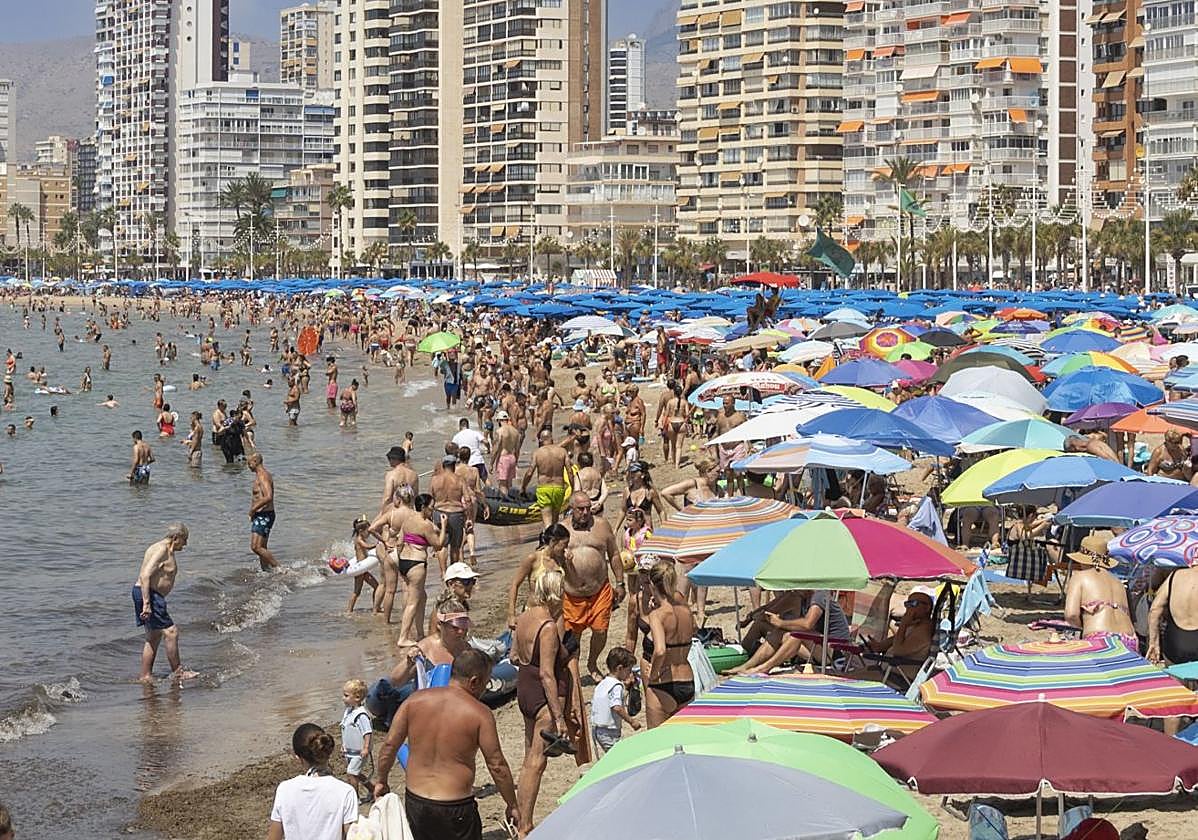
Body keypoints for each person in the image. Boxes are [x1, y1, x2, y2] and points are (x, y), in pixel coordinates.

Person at [374, 650, 520, 840]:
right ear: (474, 681)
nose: (485, 689)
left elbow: (389, 746)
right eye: (486, 683)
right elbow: (496, 765)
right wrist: (512, 804)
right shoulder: (480, 714)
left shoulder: (414, 701)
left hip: (416, 802)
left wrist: (382, 781)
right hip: (454, 806)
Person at [513, 570, 574, 835]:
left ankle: (520, 819)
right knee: (536, 763)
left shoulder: (525, 617)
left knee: (529, 759)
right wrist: (559, 717)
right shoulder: (547, 627)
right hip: (541, 696)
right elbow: (547, 674)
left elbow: (514, 656)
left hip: (525, 689)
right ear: (555, 593)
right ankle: (525, 826)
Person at [562, 491, 625, 683]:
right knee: (573, 636)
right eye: (580, 509)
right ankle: (573, 670)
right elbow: (548, 559)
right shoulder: (562, 529)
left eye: (588, 508)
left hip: (599, 590)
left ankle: (592, 663)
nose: (585, 512)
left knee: (600, 631)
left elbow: (614, 554)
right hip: (572, 593)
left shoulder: (602, 525)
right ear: (571, 508)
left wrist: (620, 583)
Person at [267, 723, 358, 840]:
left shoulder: (284, 790)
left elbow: (274, 837)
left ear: (297, 758)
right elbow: (352, 835)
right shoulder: (345, 792)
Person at [727, 589, 851, 675]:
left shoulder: (819, 596)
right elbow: (770, 608)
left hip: (835, 652)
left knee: (796, 635)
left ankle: (764, 668)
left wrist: (781, 622)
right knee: (779, 633)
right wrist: (751, 618)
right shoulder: (802, 597)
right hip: (818, 649)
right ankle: (747, 665)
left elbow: (807, 624)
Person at [132, 523, 195, 682]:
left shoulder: (163, 549)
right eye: (184, 540)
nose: (185, 544)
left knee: (153, 636)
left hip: (148, 594)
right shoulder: (161, 550)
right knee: (171, 632)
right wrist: (147, 603)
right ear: (176, 538)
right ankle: (178, 672)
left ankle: (145, 676)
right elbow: (145, 575)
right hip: (149, 594)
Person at [641, 560, 695, 727]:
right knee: (683, 739)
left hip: (663, 683)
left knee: (656, 740)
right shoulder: (686, 611)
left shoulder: (658, 615)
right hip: (687, 680)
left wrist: (653, 674)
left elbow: (660, 650)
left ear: (652, 584)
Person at [1064, 534, 1137, 650]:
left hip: (1100, 638)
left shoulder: (1079, 577)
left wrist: (1082, 628)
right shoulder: (1119, 583)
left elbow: (1071, 614)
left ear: (1084, 560)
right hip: (1129, 639)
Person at [862, 590, 936, 681]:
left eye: (913, 603)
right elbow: (890, 642)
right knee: (848, 675)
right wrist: (878, 645)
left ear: (927, 608)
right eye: (907, 604)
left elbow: (898, 651)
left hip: (898, 677)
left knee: (848, 679)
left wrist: (903, 625)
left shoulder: (924, 630)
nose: (908, 607)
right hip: (887, 671)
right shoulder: (914, 626)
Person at [506, 524, 569, 628]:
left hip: (556, 614)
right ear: (553, 542)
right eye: (564, 545)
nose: (566, 549)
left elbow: (572, 583)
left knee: (559, 639)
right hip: (534, 613)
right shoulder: (533, 559)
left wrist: (570, 564)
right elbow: (515, 584)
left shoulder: (562, 559)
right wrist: (511, 615)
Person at [591, 646, 640, 752]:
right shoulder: (616, 686)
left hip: (597, 728)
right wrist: (631, 721)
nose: (630, 674)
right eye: (628, 670)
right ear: (620, 668)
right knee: (619, 756)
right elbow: (616, 707)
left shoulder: (603, 683)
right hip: (609, 731)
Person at [521, 428, 570, 528]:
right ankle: (555, 534)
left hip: (544, 488)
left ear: (540, 440)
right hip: (559, 488)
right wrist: (573, 487)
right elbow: (570, 471)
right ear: (552, 438)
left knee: (547, 520)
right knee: (555, 520)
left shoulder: (538, 453)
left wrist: (523, 487)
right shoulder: (562, 451)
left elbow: (529, 473)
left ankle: (548, 534)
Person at [1005, 506, 1055, 598]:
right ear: (1031, 515)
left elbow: (1032, 525)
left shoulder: (1021, 523)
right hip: (1019, 557)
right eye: (1035, 516)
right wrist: (1042, 526)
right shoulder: (1018, 525)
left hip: (1022, 554)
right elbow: (1025, 536)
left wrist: (1046, 520)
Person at [339, 679, 374, 804]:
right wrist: (343, 745)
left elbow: (367, 732)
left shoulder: (361, 715)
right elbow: (346, 730)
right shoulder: (348, 712)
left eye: (346, 696)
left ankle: (355, 798)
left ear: (357, 698)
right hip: (350, 751)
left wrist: (366, 748)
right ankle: (372, 789)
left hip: (359, 752)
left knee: (351, 773)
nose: (343, 698)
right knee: (356, 773)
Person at [248, 452, 280, 570]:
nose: (248, 466)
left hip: (264, 515)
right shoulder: (261, 475)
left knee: (256, 547)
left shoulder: (262, 476)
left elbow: (268, 496)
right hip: (263, 514)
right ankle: (266, 571)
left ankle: (279, 568)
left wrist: (253, 510)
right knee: (262, 547)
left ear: (255, 461)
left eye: (249, 463)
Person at [347, 516, 382, 615]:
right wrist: (378, 544)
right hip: (360, 570)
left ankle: (376, 607)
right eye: (368, 531)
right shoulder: (359, 540)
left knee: (376, 586)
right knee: (357, 591)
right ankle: (349, 611)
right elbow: (367, 547)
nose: (369, 533)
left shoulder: (361, 538)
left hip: (363, 570)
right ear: (361, 531)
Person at [491, 410, 520, 495]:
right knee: (509, 484)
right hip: (512, 458)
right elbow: (517, 450)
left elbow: (496, 449)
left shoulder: (500, 431)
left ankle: (504, 501)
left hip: (503, 458)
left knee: (502, 484)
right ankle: (510, 500)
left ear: (499, 420)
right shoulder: (515, 431)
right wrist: (516, 461)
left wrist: (491, 463)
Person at [381, 445, 419, 512]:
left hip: (395, 511)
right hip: (409, 511)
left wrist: (383, 513)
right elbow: (415, 496)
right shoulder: (414, 475)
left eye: (389, 458)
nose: (389, 461)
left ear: (395, 459)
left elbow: (387, 498)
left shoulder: (391, 474)